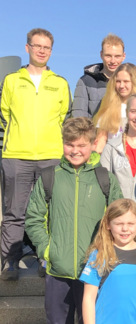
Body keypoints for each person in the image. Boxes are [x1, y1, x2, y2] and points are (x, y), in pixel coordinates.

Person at [25, 117, 123, 323]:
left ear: (93, 144)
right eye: (69, 144)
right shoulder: (50, 177)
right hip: (58, 271)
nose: (75, 150)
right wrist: (47, 250)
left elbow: (119, 220)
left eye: (81, 145)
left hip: (95, 269)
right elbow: (34, 219)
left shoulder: (105, 179)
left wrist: (106, 252)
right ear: (62, 143)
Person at [0, 28, 71, 280]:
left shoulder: (60, 83)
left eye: (47, 47)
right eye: (37, 45)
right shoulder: (11, 80)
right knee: (14, 212)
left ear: (51, 51)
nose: (42, 50)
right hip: (16, 155)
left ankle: (45, 258)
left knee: (49, 212)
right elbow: (5, 114)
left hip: (51, 155)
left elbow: (64, 117)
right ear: (27, 47)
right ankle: (10, 261)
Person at [81, 198, 136, 324]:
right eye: (119, 224)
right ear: (108, 225)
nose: (125, 229)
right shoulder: (99, 255)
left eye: (131, 224)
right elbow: (88, 298)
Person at [93, 63, 136, 153]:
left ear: (135, 82)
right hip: (112, 159)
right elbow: (101, 140)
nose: (121, 86)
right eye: (118, 81)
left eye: (126, 82)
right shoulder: (108, 107)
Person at [72, 33, 126, 118]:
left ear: (124, 56)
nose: (113, 61)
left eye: (117, 56)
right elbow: (78, 117)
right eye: (108, 56)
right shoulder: (85, 81)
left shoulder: (130, 83)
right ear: (101, 55)